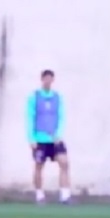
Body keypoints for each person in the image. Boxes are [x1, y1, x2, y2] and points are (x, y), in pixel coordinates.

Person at [26, 69, 72, 204]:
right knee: (39, 166)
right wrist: (31, 138)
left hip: (54, 139)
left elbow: (61, 116)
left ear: (53, 80)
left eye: (50, 78)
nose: (48, 81)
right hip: (40, 139)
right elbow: (30, 117)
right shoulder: (34, 97)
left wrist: (58, 134)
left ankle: (65, 195)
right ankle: (39, 195)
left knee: (64, 162)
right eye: (45, 78)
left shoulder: (57, 97)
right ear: (42, 80)